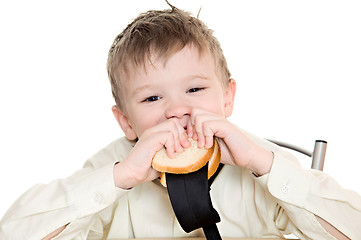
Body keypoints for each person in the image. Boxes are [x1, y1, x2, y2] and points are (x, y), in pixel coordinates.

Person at [1, 5, 360, 240]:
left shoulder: (260, 162)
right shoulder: (113, 169)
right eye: (152, 98)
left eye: (194, 88)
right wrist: (120, 178)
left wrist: (265, 165)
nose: (176, 110)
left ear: (227, 98)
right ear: (126, 123)